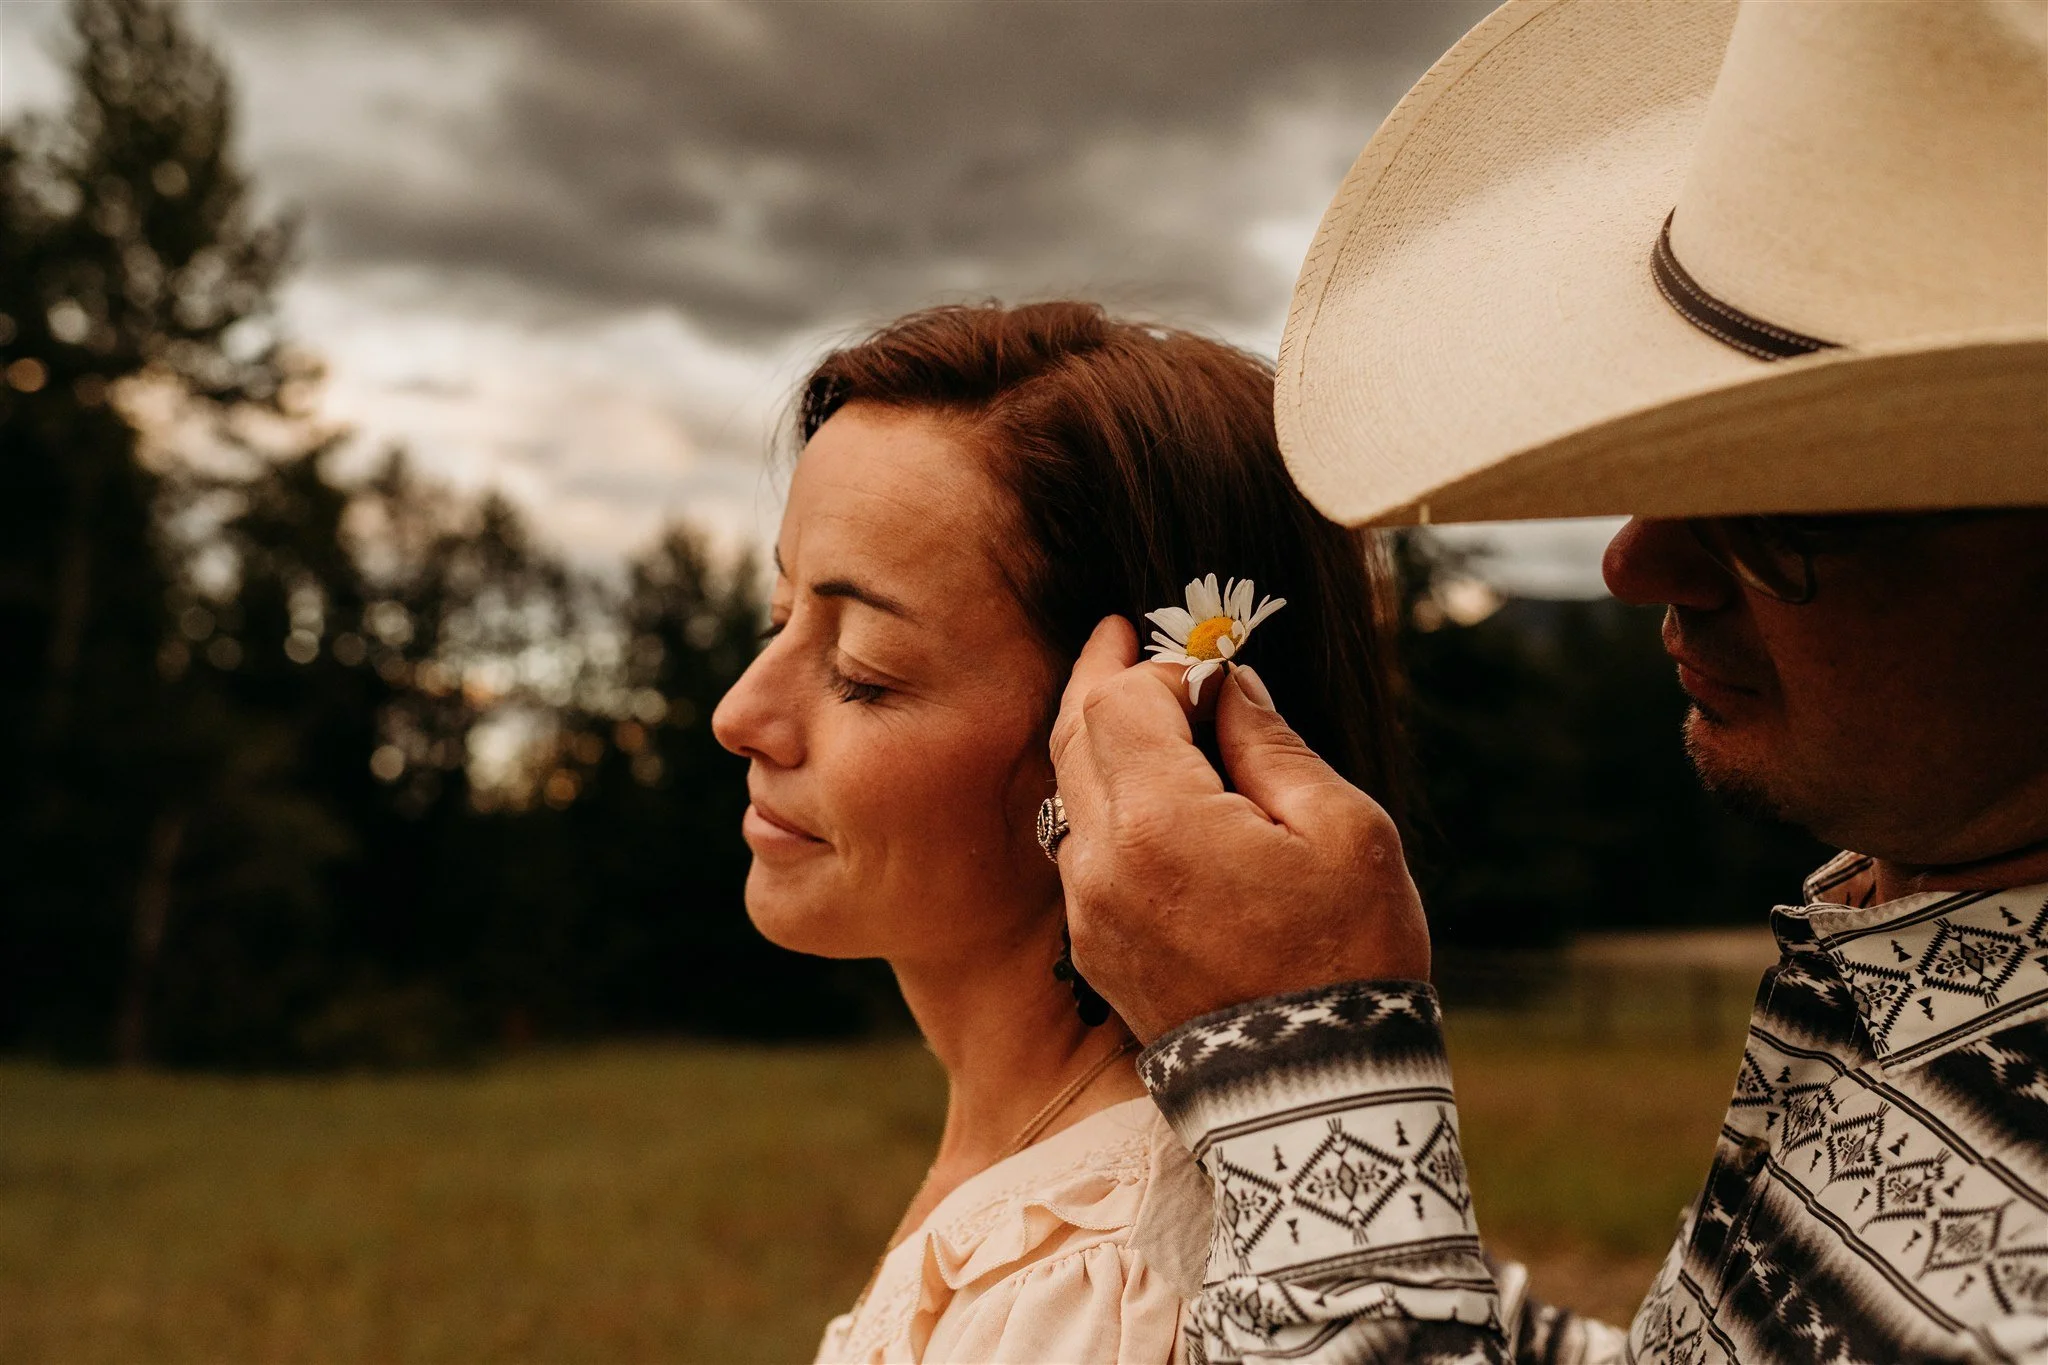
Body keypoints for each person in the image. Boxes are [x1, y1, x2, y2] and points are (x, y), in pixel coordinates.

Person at [1044, 1, 2048, 1362]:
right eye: (1669, 463)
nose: (1640, 560)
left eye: (1782, 516)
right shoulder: (1934, 932)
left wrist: (1297, 1070)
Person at [709, 301, 1412, 1362]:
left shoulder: (1096, 1292)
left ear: (1123, 742)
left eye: (863, 670)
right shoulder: (1022, 1192)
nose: (738, 714)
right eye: (778, 617)